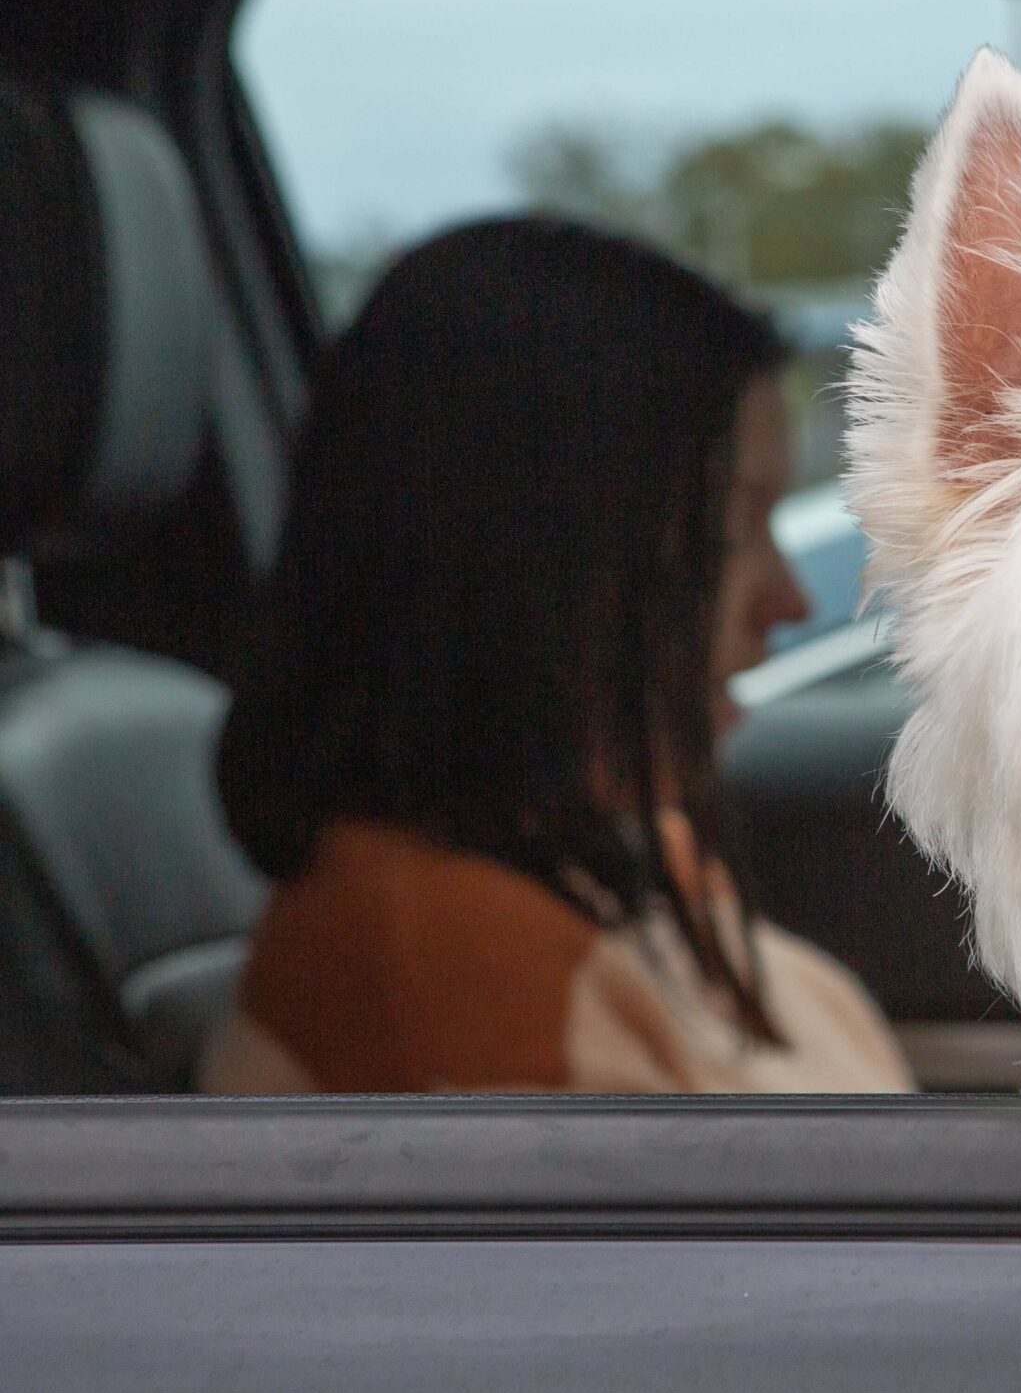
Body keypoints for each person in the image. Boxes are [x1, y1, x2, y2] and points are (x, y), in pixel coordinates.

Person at [197, 217, 914, 1095]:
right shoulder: (454, 965)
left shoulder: (614, 871)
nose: (790, 602)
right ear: (535, 568)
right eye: (731, 529)